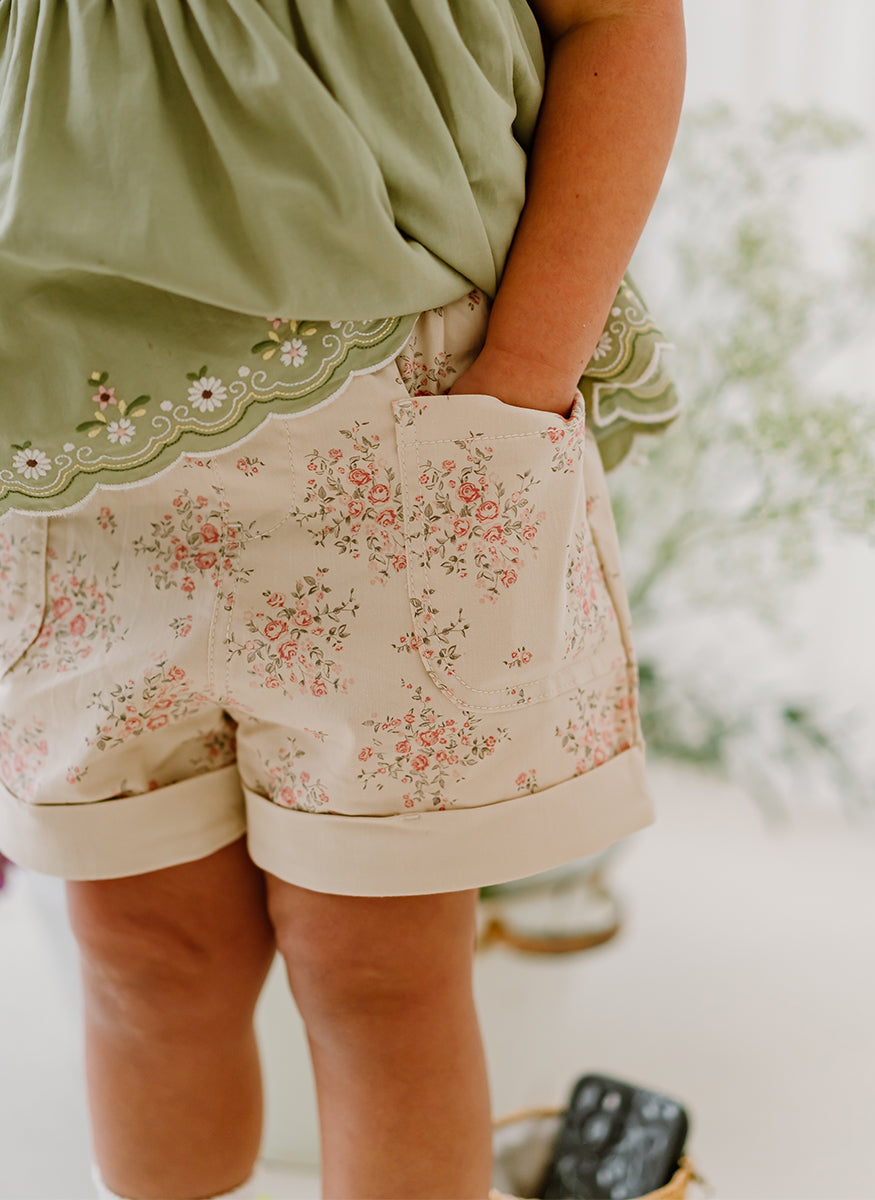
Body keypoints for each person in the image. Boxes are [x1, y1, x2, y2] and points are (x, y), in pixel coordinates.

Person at [0, 1, 686, 1197]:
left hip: (401, 417)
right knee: (143, 958)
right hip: (64, 453)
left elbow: (618, 19)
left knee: (379, 967)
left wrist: (522, 381)